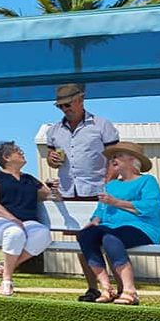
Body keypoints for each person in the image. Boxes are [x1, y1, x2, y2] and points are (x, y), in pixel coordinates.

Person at [45, 83, 122, 302]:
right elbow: (53, 161)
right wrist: (51, 160)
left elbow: (114, 159)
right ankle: (94, 289)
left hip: (98, 193)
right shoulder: (53, 131)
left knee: (107, 241)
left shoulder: (102, 125)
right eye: (60, 106)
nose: (64, 109)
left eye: (68, 104)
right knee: (83, 243)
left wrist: (108, 186)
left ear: (81, 100)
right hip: (70, 193)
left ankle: (121, 289)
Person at [76, 141, 160, 305]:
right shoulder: (112, 185)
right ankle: (107, 288)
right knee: (85, 236)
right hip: (111, 227)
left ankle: (130, 291)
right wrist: (94, 221)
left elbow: (151, 207)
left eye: (119, 155)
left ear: (133, 160)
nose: (114, 159)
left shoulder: (147, 181)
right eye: (114, 156)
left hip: (142, 228)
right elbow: (101, 208)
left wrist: (117, 203)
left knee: (110, 238)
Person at [0, 141, 55, 296]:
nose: (22, 152)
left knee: (44, 234)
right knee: (15, 232)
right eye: (18, 150)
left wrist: (55, 190)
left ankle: (5, 266)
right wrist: (12, 219)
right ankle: (7, 281)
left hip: (27, 223)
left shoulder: (30, 179)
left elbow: (49, 195)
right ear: (6, 157)